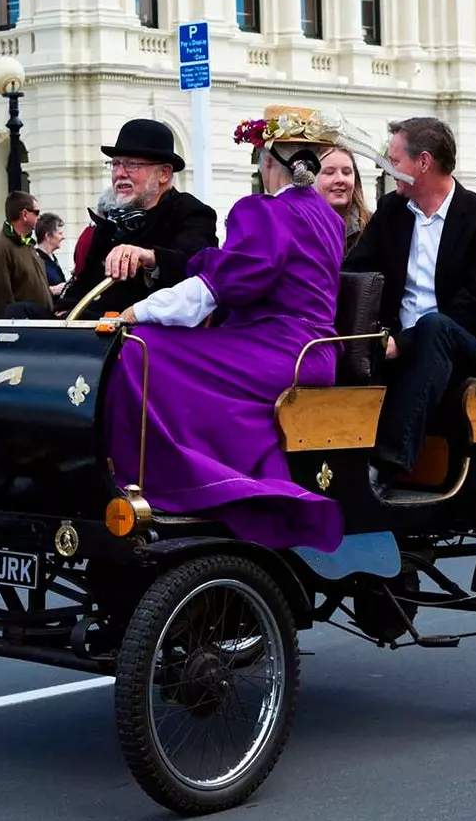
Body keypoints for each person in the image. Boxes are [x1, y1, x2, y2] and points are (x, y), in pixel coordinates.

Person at [104, 109, 360, 551]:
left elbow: (226, 284)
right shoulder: (325, 216)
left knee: (140, 348)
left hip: (278, 347)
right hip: (313, 349)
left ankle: (168, 479)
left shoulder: (265, 212)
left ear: (266, 163)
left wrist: (137, 312)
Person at [344, 116, 476, 479]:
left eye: (394, 161)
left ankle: (389, 463)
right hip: (402, 336)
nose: (387, 168)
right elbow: (353, 270)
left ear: (423, 163)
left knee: (435, 326)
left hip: (471, 344)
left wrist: (404, 342)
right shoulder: (392, 210)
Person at [58, 118, 219, 321]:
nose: (119, 173)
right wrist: (64, 309)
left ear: (163, 173)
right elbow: (84, 279)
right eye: (115, 164)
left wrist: (150, 257)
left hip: (142, 331)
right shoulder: (111, 220)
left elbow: (194, 268)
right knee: (21, 314)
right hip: (90, 325)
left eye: (132, 165)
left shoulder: (192, 213)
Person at [0, 191, 53, 315]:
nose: (39, 217)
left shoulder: (28, 244)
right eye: (36, 212)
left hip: (41, 323)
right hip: (24, 328)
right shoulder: (0, 247)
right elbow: (2, 296)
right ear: (24, 214)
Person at [314, 146, 370, 253]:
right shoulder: (296, 226)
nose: (340, 179)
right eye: (329, 172)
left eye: (346, 172)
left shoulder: (373, 226)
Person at [35, 212, 68, 300]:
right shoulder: (36, 261)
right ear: (48, 236)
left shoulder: (52, 259)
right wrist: (52, 290)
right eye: (60, 233)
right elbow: (30, 291)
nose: (64, 237)